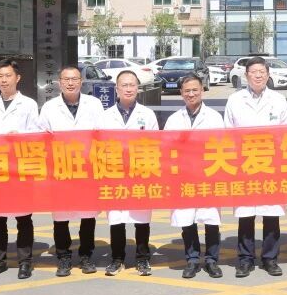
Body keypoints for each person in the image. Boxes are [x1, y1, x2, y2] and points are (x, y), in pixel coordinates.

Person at [225, 56, 287, 277]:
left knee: (271, 214)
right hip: (245, 164)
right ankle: (245, 259)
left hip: (271, 165)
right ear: (246, 76)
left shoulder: (278, 100)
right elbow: (228, 132)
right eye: (254, 72)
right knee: (246, 215)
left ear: (268, 74)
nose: (258, 75)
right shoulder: (235, 100)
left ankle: (270, 259)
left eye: (262, 71)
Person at [38, 66, 105, 277]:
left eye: (74, 79)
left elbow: (102, 134)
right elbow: (40, 137)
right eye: (66, 79)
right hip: (60, 169)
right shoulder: (49, 107)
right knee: (60, 216)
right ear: (59, 82)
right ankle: (63, 257)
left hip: (87, 168)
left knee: (88, 215)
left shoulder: (94, 104)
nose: (70, 83)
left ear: (81, 82)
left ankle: (86, 255)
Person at [0, 58, 41, 279]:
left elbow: (36, 135)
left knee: (23, 218)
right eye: (0, 76)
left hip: (19, 168)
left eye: (8, 76)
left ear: (17, 78)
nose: (4, 80)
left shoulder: (29, 104)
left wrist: (20, 137)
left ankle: (25, 261)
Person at [98, 70, 159, 276]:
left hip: (140, 173)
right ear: (116, 89)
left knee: (141, 218)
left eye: (132, 85)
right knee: (117, 219)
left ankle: (143, 259)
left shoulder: (147, 115)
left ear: (138, 88)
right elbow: (98, 145)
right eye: (124, 85)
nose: (128, 89)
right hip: (114, 174)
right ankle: (117, 259)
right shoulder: (105, 116)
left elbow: (156, 145)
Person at [165, 76, 226, 279]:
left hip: (208, 175)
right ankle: (192, 260)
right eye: (187, 91)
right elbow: (166, 147)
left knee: (211, 220)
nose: (191, 94)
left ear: (202, 91)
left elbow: (222, 145)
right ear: (181, 93)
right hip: (184, 177)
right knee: (187, 220)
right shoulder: (174, 119)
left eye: (195, 90)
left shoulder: (214, 117)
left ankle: (211, 260)